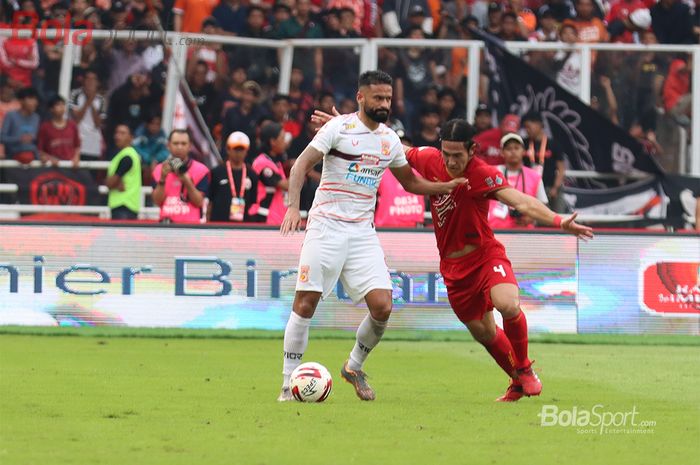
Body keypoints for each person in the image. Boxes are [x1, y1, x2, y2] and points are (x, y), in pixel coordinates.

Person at [276, 70, 465, 402]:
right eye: (378, 98)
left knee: (383, 306)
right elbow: (299, 167)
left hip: (362, 234)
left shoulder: (389, 139)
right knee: (305, 303)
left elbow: (410, 183)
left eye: (389, 98)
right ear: (361, 97)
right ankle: (287, 383)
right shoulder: (338, 128)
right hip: (325, 227)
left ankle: (352, 366)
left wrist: (444, 187)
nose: (385, 104)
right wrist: (294, 207)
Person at [404, 120, 592, 401]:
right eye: (447, 154)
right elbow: (393, 146)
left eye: (458, 155)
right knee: (484, 332)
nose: (452, 161)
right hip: (453, 268)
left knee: (507, 303)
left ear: (473, 150)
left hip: (485, 255)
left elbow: (522, 202)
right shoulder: (429, 159)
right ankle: (516, 381)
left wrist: (558, 220)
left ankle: (525, 367)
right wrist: (343, 127)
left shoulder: (482, 174)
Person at [488, 133, 548, 229]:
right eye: (508, 149)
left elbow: (543, 204)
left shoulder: (534, 176)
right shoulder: (491, 173)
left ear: (523, 151)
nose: (513, 152)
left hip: (524, 233)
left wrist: (532, 217)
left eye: (516, 148)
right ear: (502, 152)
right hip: (495, 231)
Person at [152, 129, 211, 224]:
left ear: (190, 146)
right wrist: (163, 178)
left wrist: (187, 181)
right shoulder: (159, 169)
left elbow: (199, 202)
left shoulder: (201, 170)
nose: (179, 147)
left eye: (183, 144)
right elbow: (157, 201)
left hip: (191, 226)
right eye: (175, 143)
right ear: (168, 145)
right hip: (165, 225)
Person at [207, 131, 261, 223]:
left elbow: (254, 201)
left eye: (241, 149)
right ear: (228, 149)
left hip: (244, 224)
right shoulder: (217, 172)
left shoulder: (252, 174)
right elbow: (210, 199)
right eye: (235, 149)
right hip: (219, 223)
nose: (238, 153)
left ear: (246, 151)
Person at [522, 112, 566, 210]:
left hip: (550, 187)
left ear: (539, 125)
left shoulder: (553, 144)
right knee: (534, 217)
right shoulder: (523, 143)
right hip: (530, 188)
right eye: (525, 127)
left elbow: (561, 169)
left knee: (557, 216)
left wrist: (555, 187)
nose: (527, 130)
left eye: (529, 126)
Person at [251, 122, 289, 225]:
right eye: (282, 138)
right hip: (265, 219)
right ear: (273, 141)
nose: (285, 142)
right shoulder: (261, 163)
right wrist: (302, 168)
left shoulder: (276, 162)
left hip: (277, 217)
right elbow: (286, 185)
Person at [106, 124, 142, 220]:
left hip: (123, 207)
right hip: (127, 206)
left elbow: (110, 183)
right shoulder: (127, 154)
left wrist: (112, 181)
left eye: (122, 133)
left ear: (131, 137)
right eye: (117, 133)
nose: (118, 136)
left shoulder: (127, 157)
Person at [37, 95, 81, 167]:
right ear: (51, 109)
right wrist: (50, 158)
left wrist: (76, 157)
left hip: (70, 167)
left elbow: (77, 146)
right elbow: (40, 150)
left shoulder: (72, 125)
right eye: (58, 105)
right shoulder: (45, 127)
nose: (61, 107)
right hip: (53, 168)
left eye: (63, 104)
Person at [0, 86, 39, 163]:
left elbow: (36, 140)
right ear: (21, 101)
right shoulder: (11, 116)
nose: (34, 102)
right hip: (13, 160)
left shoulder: (36, 117)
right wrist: (19, 139)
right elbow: (1, 138)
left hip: (32, 159)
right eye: (31, 99)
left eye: (35, 99)